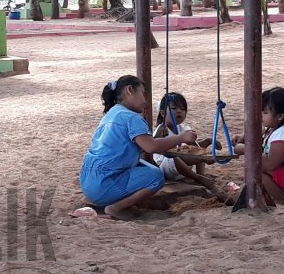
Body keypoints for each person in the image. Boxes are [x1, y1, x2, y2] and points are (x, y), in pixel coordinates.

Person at [79, 76, 198, 219]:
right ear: (130, 90)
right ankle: (116, 208)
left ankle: (122, 201)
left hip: (87, 181)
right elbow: (151, 147)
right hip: (103, 186)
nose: (145, 101)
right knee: (156, 177)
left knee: (147, 167)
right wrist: (180, 138)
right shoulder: (132, 117)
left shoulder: (111, 113)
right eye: (143, 94)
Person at [233, 86, 284, 204]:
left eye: (265, 112)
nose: (261, 115)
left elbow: (270, 163)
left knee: (255, 167)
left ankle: (283, 198)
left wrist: (245, 150)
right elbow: (260, 132)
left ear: (280, 116)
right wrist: (243, 136)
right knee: (254, 164)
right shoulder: (277, 126)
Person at [149, 92, 216, 190]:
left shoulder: (184, 128)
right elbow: (152, 146)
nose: (179, 111)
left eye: (182, 109)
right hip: (164, 166)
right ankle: (197, 178)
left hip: (182, 168)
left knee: (199, 149)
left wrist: (207, 142)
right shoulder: (161, 130)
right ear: (163, 113)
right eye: (174, 108)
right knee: (173, 157)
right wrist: (156, 136)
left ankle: (200, 174)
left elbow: (193, 146)